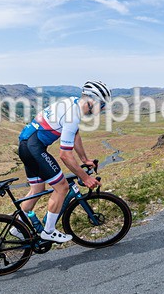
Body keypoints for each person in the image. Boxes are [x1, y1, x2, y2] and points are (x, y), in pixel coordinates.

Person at [14, 80, 110, 243]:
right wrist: (85, 178)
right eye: (102, 105)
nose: (103, 109)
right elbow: (65, 155)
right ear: (91, 101)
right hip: (34, 148)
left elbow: (75, 135)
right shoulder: (72, 115)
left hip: (26, 145)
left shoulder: (72, 103)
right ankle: (49, 231)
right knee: (62, 187)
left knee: (37, 190)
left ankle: (17, 227)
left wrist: (84, 159)